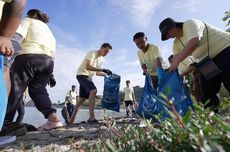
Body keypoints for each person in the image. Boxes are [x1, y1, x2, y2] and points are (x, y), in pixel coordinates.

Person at [4, 9, 63, 130]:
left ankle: (5, 123)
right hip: (48, 62)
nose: (27, 15)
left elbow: (16, 38)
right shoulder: (49, 32)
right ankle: (54, 120)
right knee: (38, 90)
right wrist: (51, 75)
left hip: (28, 57)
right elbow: (53, 54)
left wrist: (7, 61)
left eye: (29, 13)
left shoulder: (28, 21)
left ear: (34, 15)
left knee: (16, 91)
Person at [159, 17, 230, 112]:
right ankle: (211, 119)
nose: (168, 35)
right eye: (165, 34)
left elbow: (194, 42)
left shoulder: (189, 24)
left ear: (174, 25)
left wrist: (176, 61)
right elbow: (176, 59)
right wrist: (174, 73)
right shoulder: (176, 43)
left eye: (168, 31)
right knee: (207, 90)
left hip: (224, 49)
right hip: (207, 61)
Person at [70, 43, 113, 124]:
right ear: (101, 48)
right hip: (82, 74)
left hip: (88, 77)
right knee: (93, 90)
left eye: (108, 53)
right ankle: (91, 118)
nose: (106, 53)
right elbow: (88, 66)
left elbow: (97, 73)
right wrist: (104, 69)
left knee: (81, 100)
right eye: (105, 51)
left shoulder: (101, 59)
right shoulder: (92, 53)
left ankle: (70, 122)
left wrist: (106, 74)